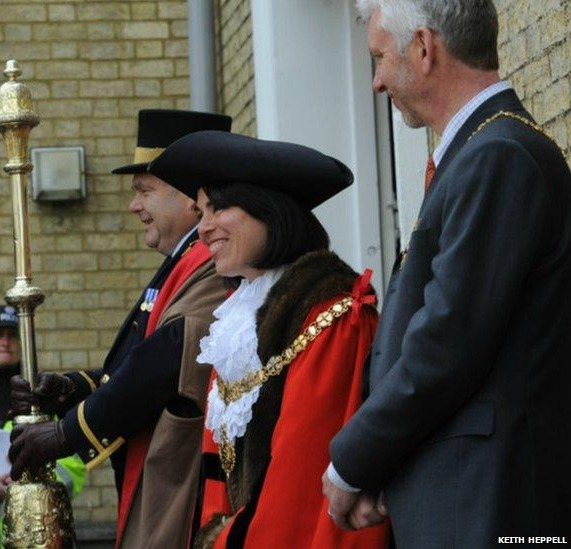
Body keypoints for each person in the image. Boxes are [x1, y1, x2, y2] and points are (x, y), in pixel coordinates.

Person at [324, 0, 571, 545]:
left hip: (487, 503)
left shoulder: (497, 155)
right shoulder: (482, 150)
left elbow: (448, 339)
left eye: (379, 57)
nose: (377, 81)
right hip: (468, 496)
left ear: (424, 48)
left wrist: (353, 460)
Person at [148, 131, 389, 548]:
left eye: (218, 208)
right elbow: (218, 471)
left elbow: (299, 483)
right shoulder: (235, 321)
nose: (203, 229)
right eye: (200, 212)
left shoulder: (330, 316)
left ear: (269, 211)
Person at [8, 109, 231, 547]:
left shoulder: (209, 266)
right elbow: (137, 360)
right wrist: (73, 388)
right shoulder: (184, 264)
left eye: (144, 191)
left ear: (190, 198)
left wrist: (64, 434)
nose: (134, 206)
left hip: (185, 488)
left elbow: (162, 363)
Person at [0, 305, 86, 548]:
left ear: (22, 340)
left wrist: (31, 486)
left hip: (31, 533)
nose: (5, 342)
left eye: (12, 335)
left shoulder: (45, 396)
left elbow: (74, 466)